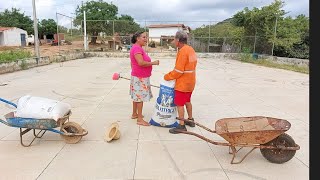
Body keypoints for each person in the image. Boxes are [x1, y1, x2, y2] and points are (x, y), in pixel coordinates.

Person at [164, 30, 197, 133]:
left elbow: (178, 71)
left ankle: (181, 125)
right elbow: (192, 64)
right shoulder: (191, 49)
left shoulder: (182, 51)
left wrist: (167, 76)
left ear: (178, 40)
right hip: (191, 81)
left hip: (183, 83)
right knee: (187, 100)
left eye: (174, 39)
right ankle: (190, 120)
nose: (174, 41)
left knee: (180, 103)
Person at [130, 31, 159, 126]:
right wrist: (153, 63)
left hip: (138, 76)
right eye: (144, 37)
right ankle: (139, 119)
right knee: (140, 97)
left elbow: (133, 63)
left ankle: (135, 114)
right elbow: (141, 63)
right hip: (140, 77)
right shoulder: (137, 49)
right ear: (138, 38)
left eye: (146, 37)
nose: (146, 39)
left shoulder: (137, 48)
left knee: (136, 96)